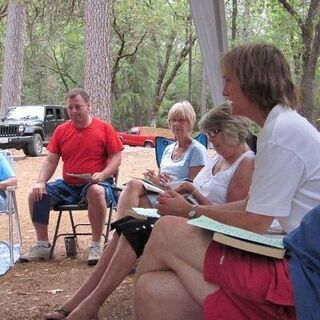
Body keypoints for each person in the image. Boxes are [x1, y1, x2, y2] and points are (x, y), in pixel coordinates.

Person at [133, 43, 320, 320]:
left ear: (251, 81)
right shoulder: (280, 127)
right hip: (293, 258)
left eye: (229, 80)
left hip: (300, 273)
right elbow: (250, 205)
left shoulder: (282, 132)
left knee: (168, 229)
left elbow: (256, 223)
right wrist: (191, 210)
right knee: (153, 290)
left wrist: (191, 212)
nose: (224, 91)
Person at [44, 103, 255, 320]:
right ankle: (82, 301)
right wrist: (178, 192)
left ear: (230, 132)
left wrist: (191, 198)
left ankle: (90, 304)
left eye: (214, 135)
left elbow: (231, 218)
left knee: (134, 230)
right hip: (189, 214)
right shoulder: (220, 157)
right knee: (125, 228)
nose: (211, 141)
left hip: (206, 230)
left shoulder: (245, 163)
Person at [20, 88, 123, 265]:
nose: (74, 111)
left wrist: (103, 174)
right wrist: (40, 182)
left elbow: (116, 157)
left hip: (97, 182)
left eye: (78, 106)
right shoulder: (61, 131)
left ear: (88, 106)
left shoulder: (104, 128)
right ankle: (43, 245)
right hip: (68, 185)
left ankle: (96, 245)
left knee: (96, 192)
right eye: (70, 107)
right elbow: (51, 160)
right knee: (36, 195)